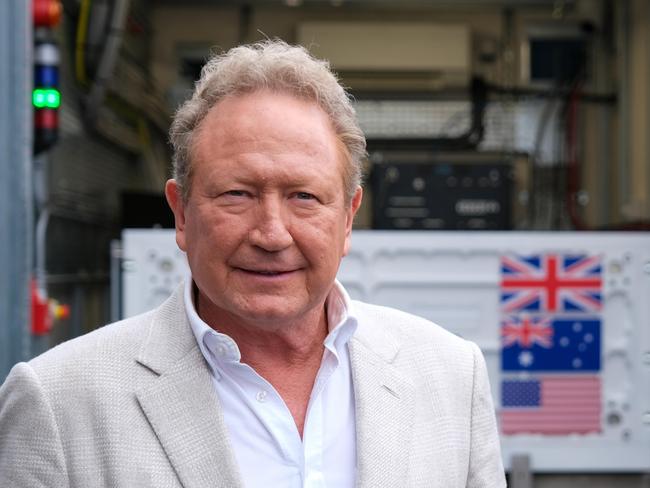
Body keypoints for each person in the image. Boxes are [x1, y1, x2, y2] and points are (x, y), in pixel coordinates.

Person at [0, 40, 505, 487]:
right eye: (237, 194)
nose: (271, 234)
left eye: (304, 196)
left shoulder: (452, 378)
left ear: (348, 219)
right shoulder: (58, 402)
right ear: (181, 212)